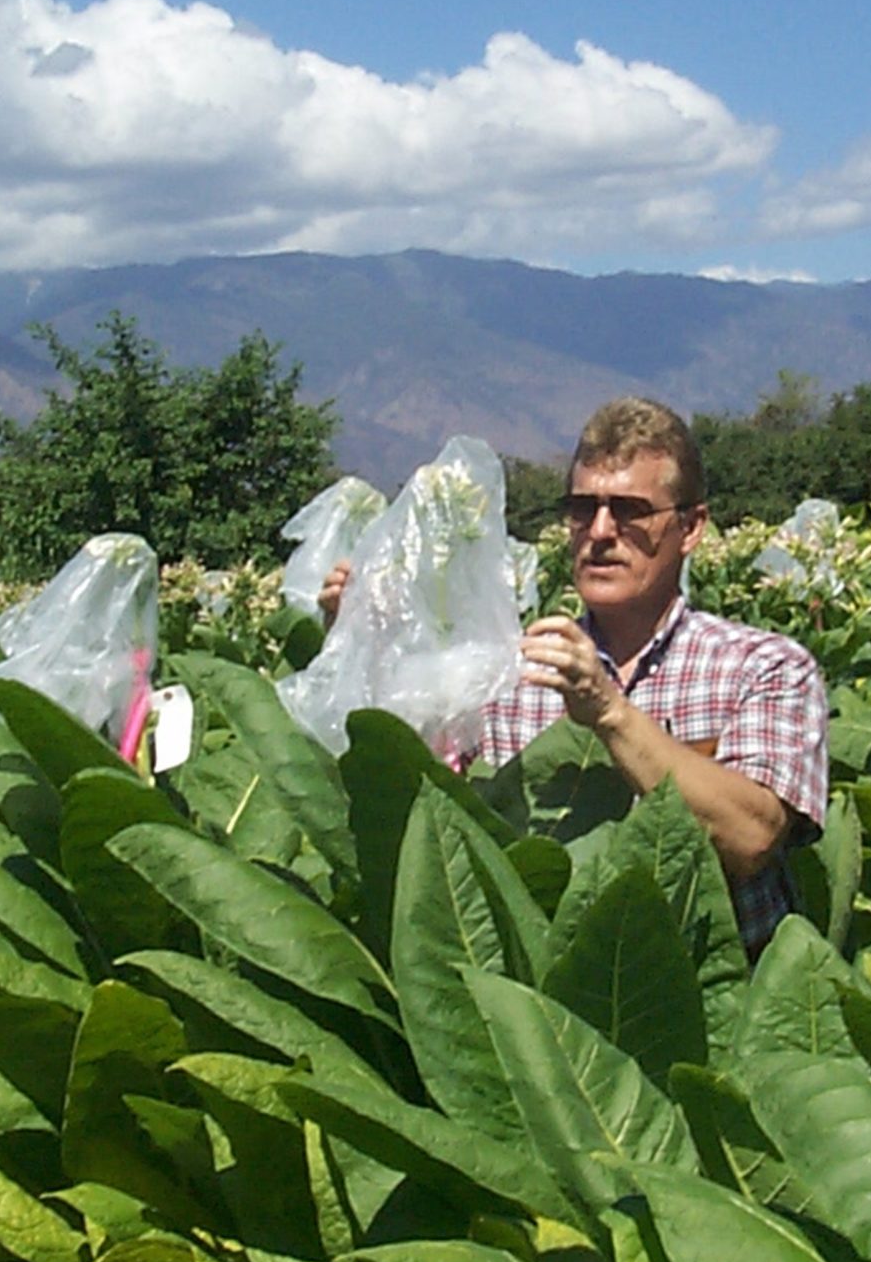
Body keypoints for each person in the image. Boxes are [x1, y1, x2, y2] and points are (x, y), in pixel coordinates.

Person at [324, 397, 827, 957]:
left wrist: (610, 713)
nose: (601, 531)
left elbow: (752, 837)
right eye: (583, 509)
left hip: (713, 1010)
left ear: (690, 527)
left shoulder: (765, 666)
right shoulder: (509, 674)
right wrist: (366, 643)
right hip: (546, 1017)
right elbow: (423, 817)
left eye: (630, 510)